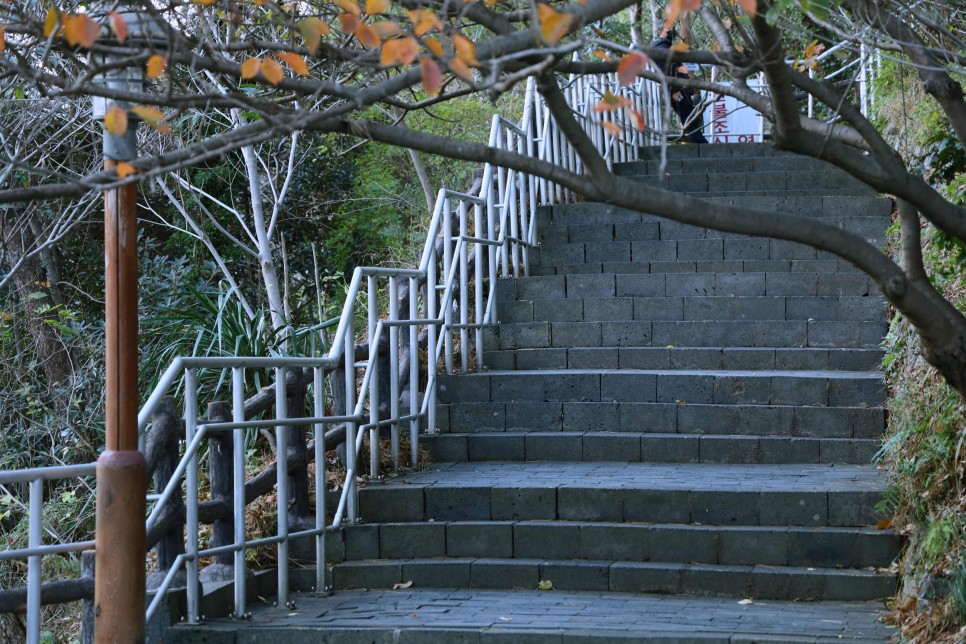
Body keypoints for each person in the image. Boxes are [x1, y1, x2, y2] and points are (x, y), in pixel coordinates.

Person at [650, 28, 709, 144]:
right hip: (676, 89)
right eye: (668, 29)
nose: (672, 31)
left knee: (689, 115)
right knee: (688, 116)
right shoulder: (659, 46)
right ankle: (701, 144)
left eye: (672, 28)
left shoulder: (666, 45)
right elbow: (667, 69)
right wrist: (675, 89)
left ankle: (699, 142)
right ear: (660, 31)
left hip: (680, 87)